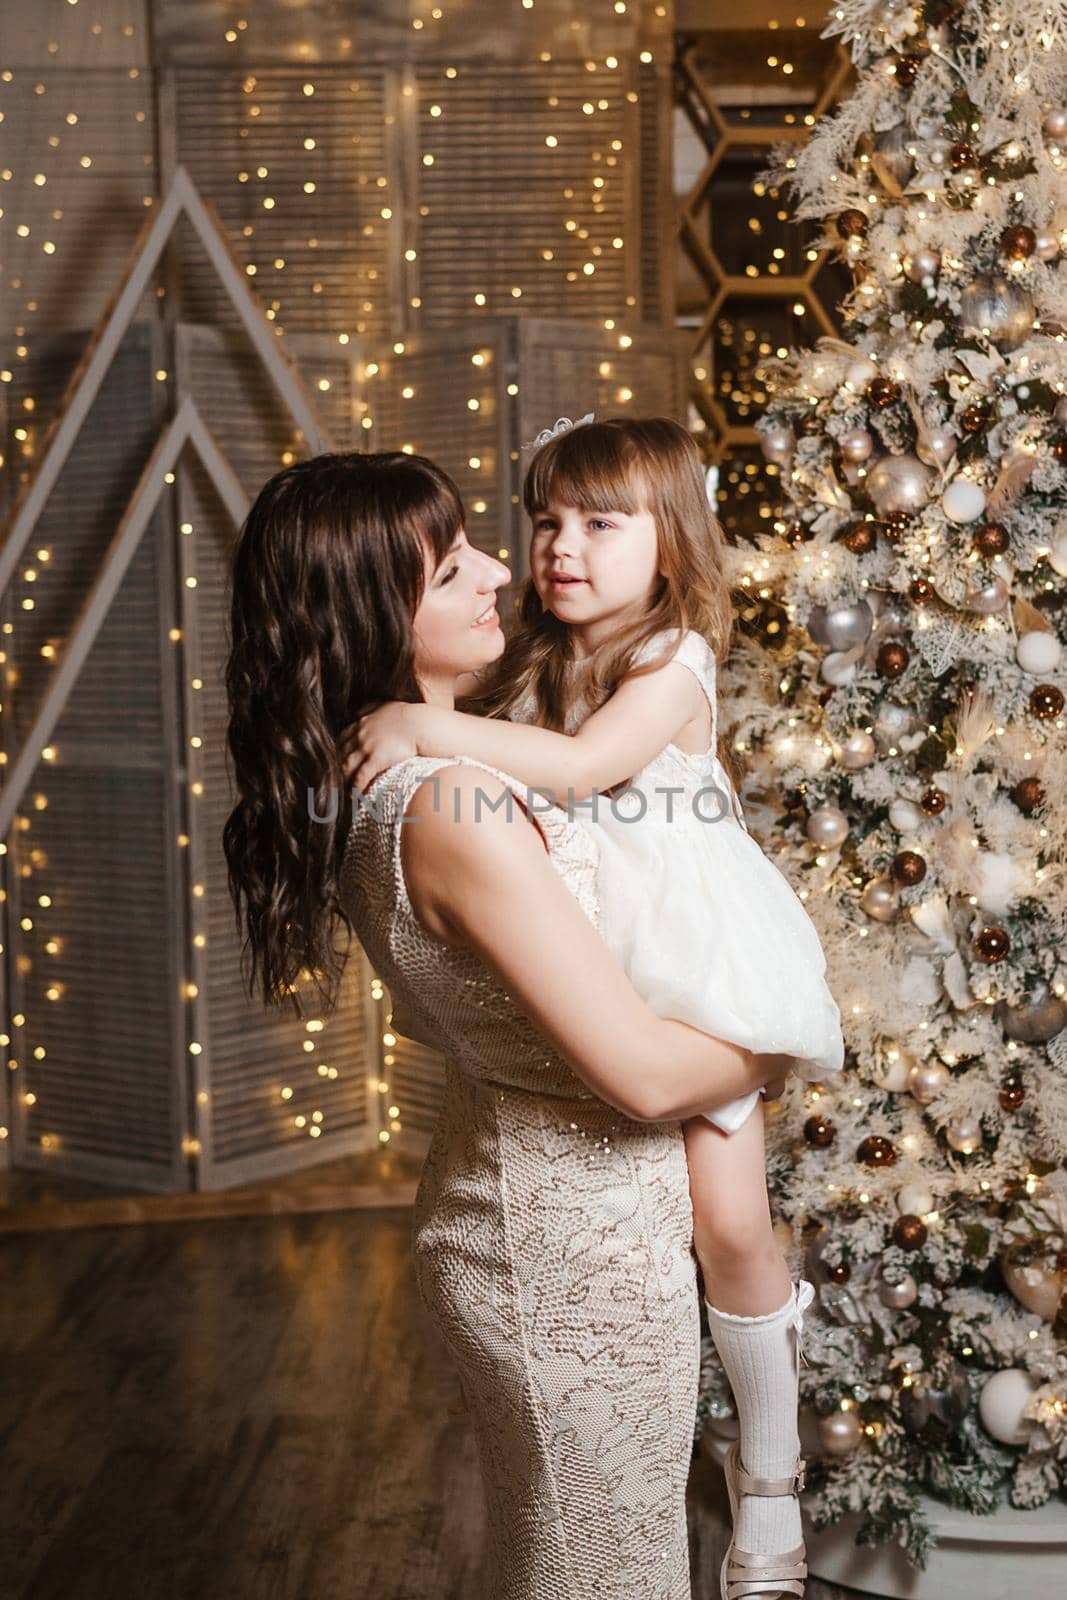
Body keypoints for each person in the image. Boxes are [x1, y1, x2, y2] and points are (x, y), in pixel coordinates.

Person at [223, 448, 789, 1600]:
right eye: (451, 567)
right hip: (571, 1257)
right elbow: (637, 1072)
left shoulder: (413, 763)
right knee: (601, 1576)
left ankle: (767, 1481)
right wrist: (779, 1038)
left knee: (561, 1562)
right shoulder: (450, 798)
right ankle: (771, 1487)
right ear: (380, 611)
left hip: (528, 1219)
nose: (505, 568)